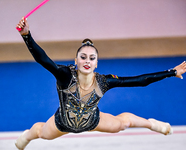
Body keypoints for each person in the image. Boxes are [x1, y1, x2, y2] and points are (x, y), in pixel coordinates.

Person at [15, 17, 186, 150]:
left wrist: (171, 72)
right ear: (76, 60)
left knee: (123, 124)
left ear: (97, 63)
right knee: (40, 133)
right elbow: (42, 59)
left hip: (93, 121)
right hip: (62, 122)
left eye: (92, 58)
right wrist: (26, 35)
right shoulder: (65, 75)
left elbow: (140, 80)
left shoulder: (103, 81)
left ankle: (152, 124)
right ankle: (26, 137)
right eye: (83, 57)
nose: (87, 61)